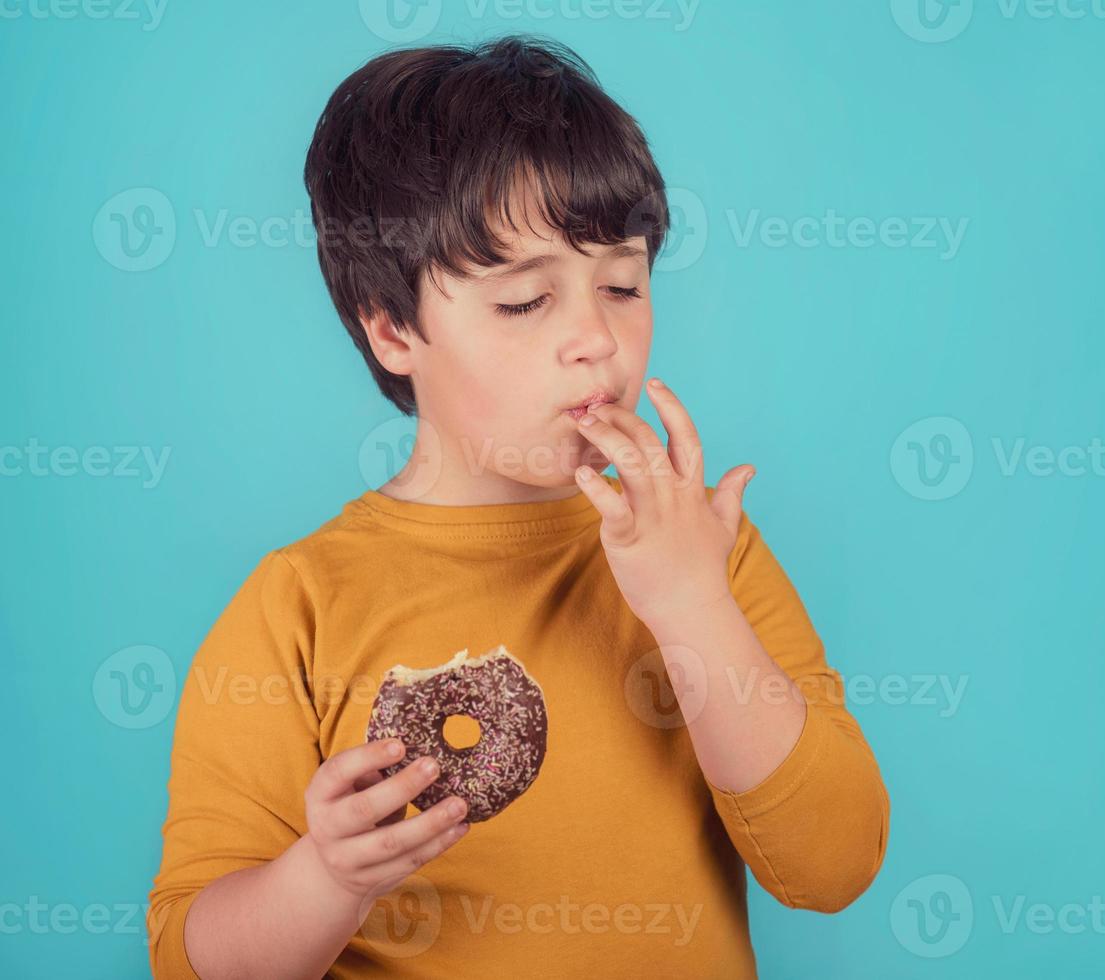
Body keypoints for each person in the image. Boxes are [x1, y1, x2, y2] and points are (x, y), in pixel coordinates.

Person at [147, 34, 889, 978]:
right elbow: (190, 956)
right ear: (393, 329)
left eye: (622, 285)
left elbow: (834, 865)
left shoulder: (708, 553)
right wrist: (325, 878)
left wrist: (690, 605)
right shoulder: (299, 606)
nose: (594, 338)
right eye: (525, 302)